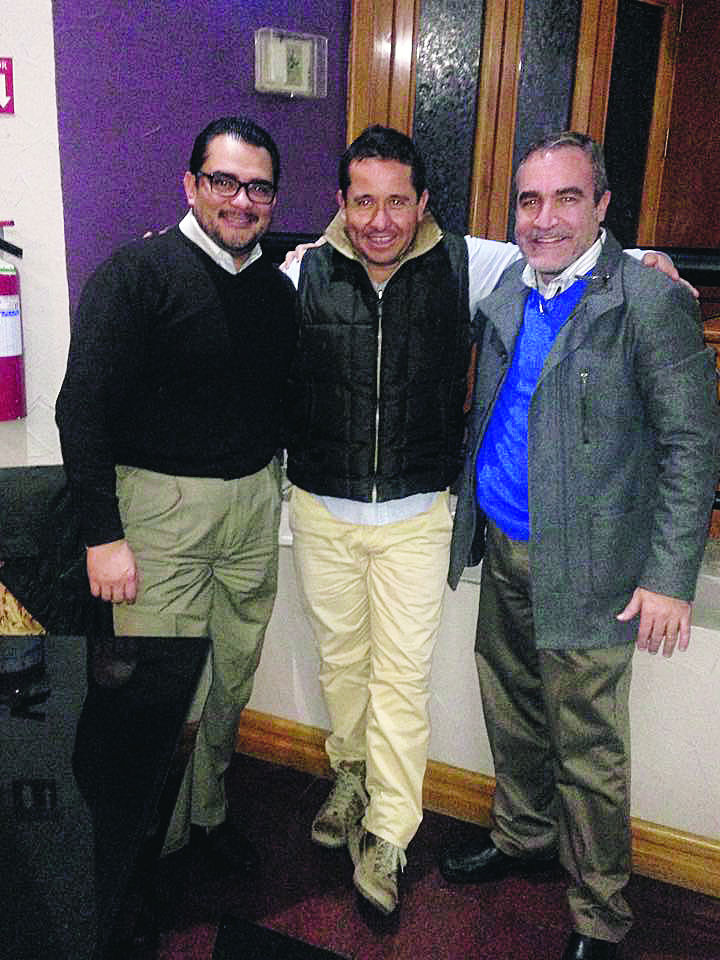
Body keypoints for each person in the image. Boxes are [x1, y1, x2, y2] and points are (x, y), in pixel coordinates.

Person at [280, 125, 683, 916]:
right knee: (343, 666)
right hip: (327, 509)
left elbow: (563, 251)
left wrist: (646, 260)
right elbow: (241, 304)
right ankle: (351, 773)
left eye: (398, 201)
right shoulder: (303, 271)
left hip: (420, 515)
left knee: (402, 682)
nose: (381, 220)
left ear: (424, 203)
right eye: (364, 202)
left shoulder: (468, 262)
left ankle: (390, 833)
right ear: (340, 204)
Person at [440, 131, 719, 960]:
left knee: (588, 752)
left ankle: (600, 915)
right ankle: (523, 836)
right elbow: (407, 238)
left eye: (567, 198)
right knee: (512, 711)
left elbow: (692, 447)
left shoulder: (648, 301)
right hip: (504, 544)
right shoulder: (510, 283)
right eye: (530, 200)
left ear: (602, 206)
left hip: (592, 571)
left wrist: (670, 578)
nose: (545, 217)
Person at [56, 116, 298, 870]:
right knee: (154, 694)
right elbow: (80, 410)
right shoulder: (135, 275)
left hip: (252, 508)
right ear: (190, 185)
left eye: (258, 187)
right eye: (224, 181)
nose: (241, 200)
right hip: (159, 517)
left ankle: (206, 817)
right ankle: (140, 853)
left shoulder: (274, 290)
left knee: (231, 678)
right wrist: (103, 536)